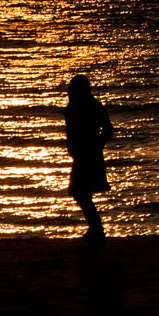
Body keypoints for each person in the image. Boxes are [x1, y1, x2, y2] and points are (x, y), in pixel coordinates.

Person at [65, 74, 115, 238]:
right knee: (82, 192)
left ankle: (96, 228)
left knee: (80, 192)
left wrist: (97, 143)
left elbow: (108, 129)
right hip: (82, 153)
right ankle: (95, 228)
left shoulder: (91, 106)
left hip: (88, 154)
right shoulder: (78, 105)